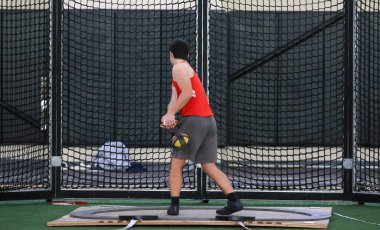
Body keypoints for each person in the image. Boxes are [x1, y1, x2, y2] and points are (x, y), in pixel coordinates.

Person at [161, 40, 243, 216]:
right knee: (209, 166)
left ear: (170, 54)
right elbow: (176, 98)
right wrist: (170, 115)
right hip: (208, 121)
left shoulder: (178, 68)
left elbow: (186, 92)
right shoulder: (186, 69)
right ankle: (234, 200)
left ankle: (174, 206)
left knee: (176, 163)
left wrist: (171, 114)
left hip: (194, 121)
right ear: (187, 54)